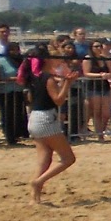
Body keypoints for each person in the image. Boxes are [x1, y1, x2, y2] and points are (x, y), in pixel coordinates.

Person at [26, 46, 77, 205]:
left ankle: (35, 197)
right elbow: (59, 100)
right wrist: (68, 83)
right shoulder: (48, 78)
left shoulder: (35, 77)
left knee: (44, 160)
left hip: (34, 118)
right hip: (46, 119)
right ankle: (38, 182)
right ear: (46, 59)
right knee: (68, 158)